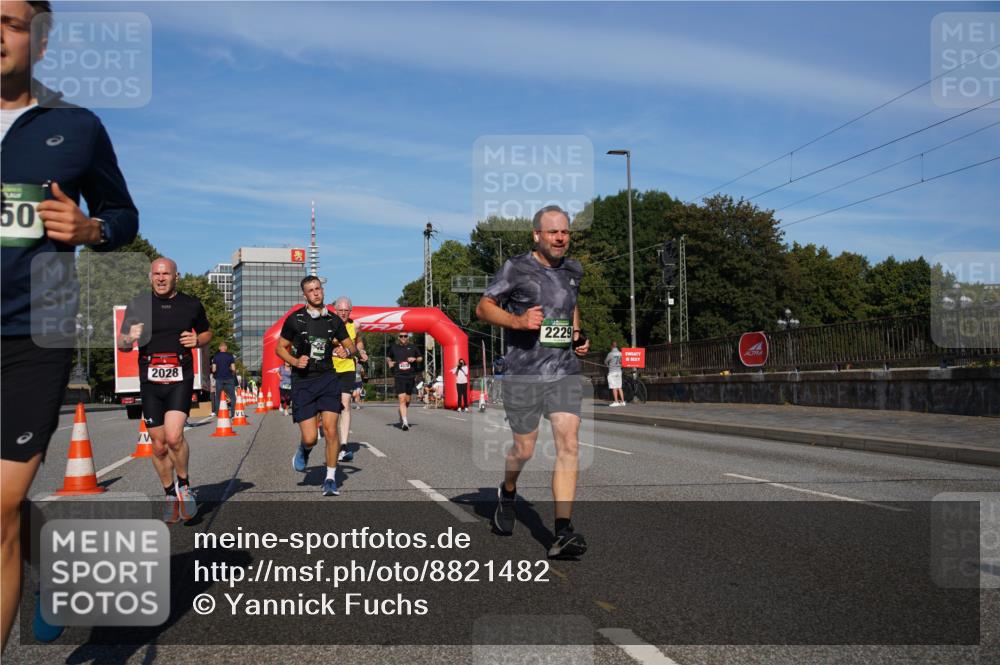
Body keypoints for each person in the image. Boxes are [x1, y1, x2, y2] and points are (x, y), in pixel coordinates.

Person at [1, 0, 139, 649]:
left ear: (41, 40)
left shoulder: (76, 127)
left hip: (32, 334)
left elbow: (123, 215)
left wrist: (92, 229)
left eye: (10, 22)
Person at [475, 205, 590, 558]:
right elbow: (483, 307)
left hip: (564, 371)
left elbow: (570, 304)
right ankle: (508, 491)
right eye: (553, 232)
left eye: (565, 232)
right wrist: (518, 321)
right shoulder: (516, 267)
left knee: (569, 443)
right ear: (537, 235)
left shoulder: (573, 269)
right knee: (523, 450)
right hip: (524, 373)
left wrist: (577, 334)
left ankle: (562, 532)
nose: (560, 238)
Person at [119, 258, 211, 524]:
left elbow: (207, 333)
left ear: (176, 277)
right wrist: (128, 338)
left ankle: (184, 486)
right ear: (151, 276)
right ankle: (170, 493)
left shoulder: (191, 304)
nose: (161, 278)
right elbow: (122, 342)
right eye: (156, 274)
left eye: (166, 274)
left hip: (180, 377)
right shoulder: (138, 305)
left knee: (173, 437)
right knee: (158, 446)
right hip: (150, 381)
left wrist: (197, 340)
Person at [276, 276, 358, 496]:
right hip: (303, 381)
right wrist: (294, 361)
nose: (316, 293)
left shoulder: (333, 320)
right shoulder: (295, 319)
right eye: (311, 290)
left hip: (328, 379)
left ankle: (330, 478)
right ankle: (305, 448)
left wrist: (346, 351)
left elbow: (352, 347)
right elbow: (280, 348)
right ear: (304, 295)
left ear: (323, 290)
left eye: (318, 289)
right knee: (311, 437)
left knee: (331, 430)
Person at [331, 297, 368, 462]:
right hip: (329, 369)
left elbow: (359, 342)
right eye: (340, 310)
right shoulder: (328, 324)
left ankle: (344, 445)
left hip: (347, 368)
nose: (343, 313)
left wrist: (362, 351)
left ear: (350, 311)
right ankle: (329, 435)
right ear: (335, 310)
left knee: (345, 404)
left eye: (346, 310)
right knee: (330, 407)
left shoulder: (356, 326)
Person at [386, 331, 421, 430]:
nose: (403, 338)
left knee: (407, 400)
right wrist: (389, 362)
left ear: (408, 337)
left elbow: (420, 358)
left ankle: (402, 411)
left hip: (410, 376)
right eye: (401, 336)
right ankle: (405, 422)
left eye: (405, 336)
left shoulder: (413, 347)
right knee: (402, 399)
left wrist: (415, 359)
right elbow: (388, 357)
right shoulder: (394, 347)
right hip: (399, 375)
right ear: (398, 337)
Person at [211, 341, 237, 415]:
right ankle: (233, 414)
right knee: (232, 397)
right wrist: (232, 373)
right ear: (226, 348)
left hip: (219, 379)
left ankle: (218, 413)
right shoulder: (230, 356)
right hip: (229, 378)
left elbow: (213, 369)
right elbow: (233, 368)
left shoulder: (216, 356)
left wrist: (215, 374)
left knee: (218, 397)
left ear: (219, 348)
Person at [605, 342, 625, 407]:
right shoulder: (620, 353)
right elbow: (622, 362)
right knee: (619, 387)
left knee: (614, 387)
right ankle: (623, 402)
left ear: (612, 346)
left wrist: (608, 365)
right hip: (619, 371)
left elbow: (606, 361)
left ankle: (616, 402)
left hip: (612, 372)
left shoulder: (610, 354)